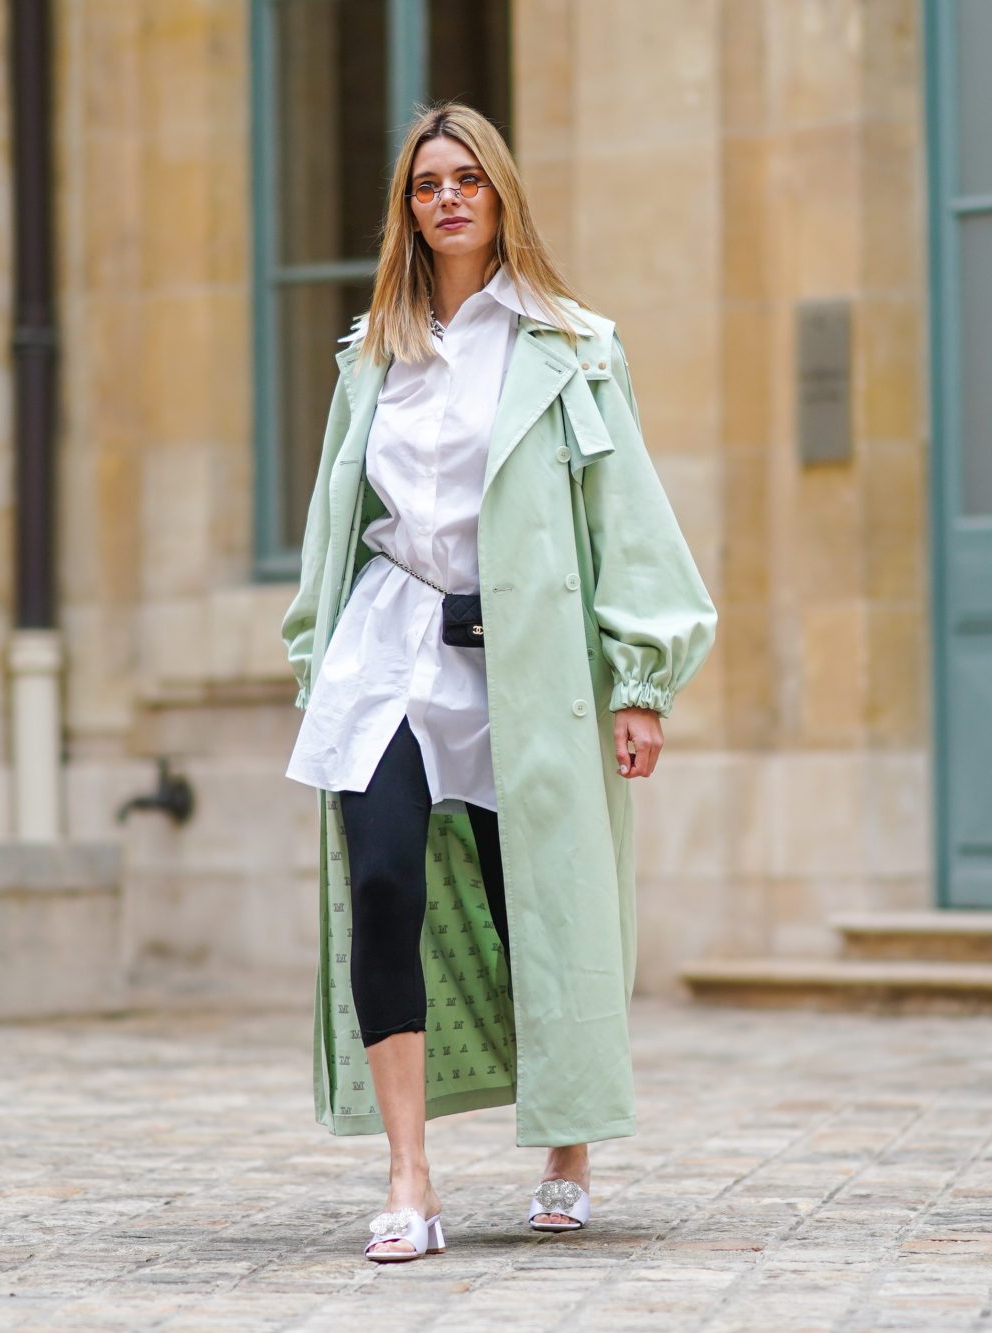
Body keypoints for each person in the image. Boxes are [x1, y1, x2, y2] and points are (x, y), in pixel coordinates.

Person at [279, 102, 716, 1263]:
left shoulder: (572, 347)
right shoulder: (369, 354)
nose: (448, 198)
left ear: (501, 194)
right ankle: (408, 1173)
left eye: (468, 178)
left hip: (523, 664)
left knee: (539, 908)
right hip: (388, 652)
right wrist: (310, 655)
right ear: (406, 212)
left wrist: (641, 680)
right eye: (426, 184)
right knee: (380, 882)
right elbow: (337, 516)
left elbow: (623, 521)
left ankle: (565, 1147)